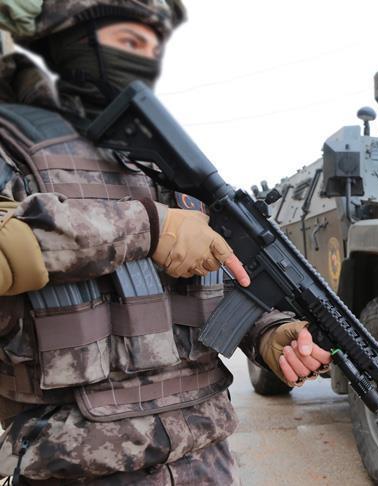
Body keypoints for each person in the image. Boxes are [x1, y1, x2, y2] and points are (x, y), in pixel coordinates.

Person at [0, 1, 330, 483]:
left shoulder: (163, 160)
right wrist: (149, 228)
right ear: (71, 41)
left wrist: (268, 334)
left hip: (206, 458)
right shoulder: (12, 141)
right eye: (128, 42)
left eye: (153, 48)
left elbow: (217, 283)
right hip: (77, 465)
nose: (144, 60)